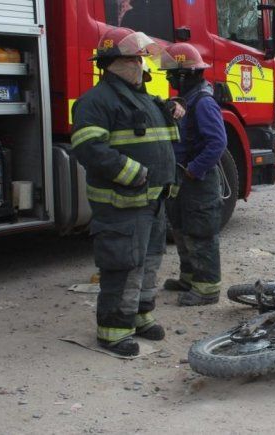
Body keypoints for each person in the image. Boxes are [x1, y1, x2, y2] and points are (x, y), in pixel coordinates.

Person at [71, 27, 180, 356]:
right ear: (114, 63)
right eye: (135, 59)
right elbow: (89, 148)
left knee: (148, 262)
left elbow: (160, 129)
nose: (141, 64)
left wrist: (171, 107)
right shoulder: (96, 101)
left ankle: (140, 317)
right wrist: (135, 174)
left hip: (153, 199)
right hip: (124, 201)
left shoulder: (141, 96)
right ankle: (113, 331)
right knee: (123, 264)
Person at [160, 43, 227, 306]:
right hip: (183, 178)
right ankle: (189, 279)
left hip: (197, 180)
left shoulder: (203, 102)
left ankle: (207, 289)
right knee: (182, 228)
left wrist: (194, 170)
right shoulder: (187, 100)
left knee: (201, 233)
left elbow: (217, 143)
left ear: (185, 74)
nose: (169, 79)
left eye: (172, 74)